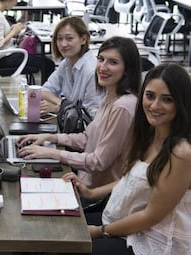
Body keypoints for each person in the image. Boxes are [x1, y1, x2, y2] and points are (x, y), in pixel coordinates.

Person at [64, 63, 191, 255]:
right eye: (150, 96)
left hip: (152, 241)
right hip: (125, 224)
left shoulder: (180, 153)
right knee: (62, 226)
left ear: (181, 103)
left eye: (167, 99)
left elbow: (151, 216)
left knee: (68, 245)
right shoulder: (149, 134)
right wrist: (90, 193)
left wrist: (100, 232)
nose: (155, 106)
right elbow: (131, 180)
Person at [17, 36, 142, 191]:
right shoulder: (111, 96)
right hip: (83, 179)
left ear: (127, 69)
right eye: (101, 59)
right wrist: (51, 138)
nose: (103, 67)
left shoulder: (123, 106)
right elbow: (87, 138)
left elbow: (98, 161)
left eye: (113, 62)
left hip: (95, 193)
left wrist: (51, 153)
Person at [40, 16, 103, 117]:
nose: (63, 44)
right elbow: (44, 90)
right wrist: (62, 104)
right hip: (72, 123)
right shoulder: (66, 63)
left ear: (83, 39)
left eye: (69, 38)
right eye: (59, 39)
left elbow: (91, 114)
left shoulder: (91, 70)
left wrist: (59, 108)